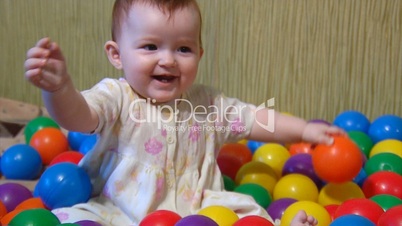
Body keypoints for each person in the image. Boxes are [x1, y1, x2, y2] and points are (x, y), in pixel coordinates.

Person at [24, 0, 342, 225]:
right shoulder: (116, 96)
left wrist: (304, 131)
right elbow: (77, 116)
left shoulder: (208, 104)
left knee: (250, 213)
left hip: (200, 210)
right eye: (150, 47)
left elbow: (255, 118)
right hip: (119, 210)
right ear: (117, 54)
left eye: (183, 48)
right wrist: (59, 89)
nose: (169, 60)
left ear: (199, 54)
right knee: (74, 218)